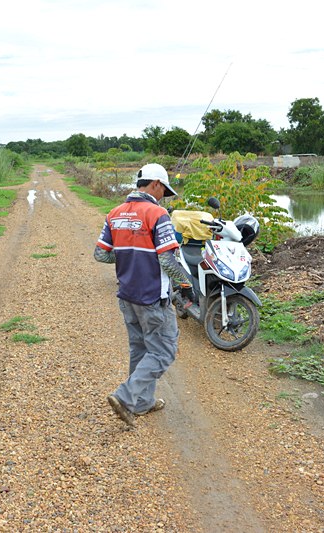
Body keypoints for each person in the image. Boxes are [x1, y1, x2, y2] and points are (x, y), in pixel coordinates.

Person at [94, 163, 192, 426]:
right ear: (155, 185)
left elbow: (101, 253)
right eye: (164, 191)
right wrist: (185, 284)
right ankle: (125, 397)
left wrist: (129, 254)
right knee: (163, 351)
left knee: (139, 349)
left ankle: (142, 402)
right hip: (152, 297)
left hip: (127, 296)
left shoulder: (114, 214)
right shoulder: (157, 214)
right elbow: (168, 261)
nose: (164, 197)